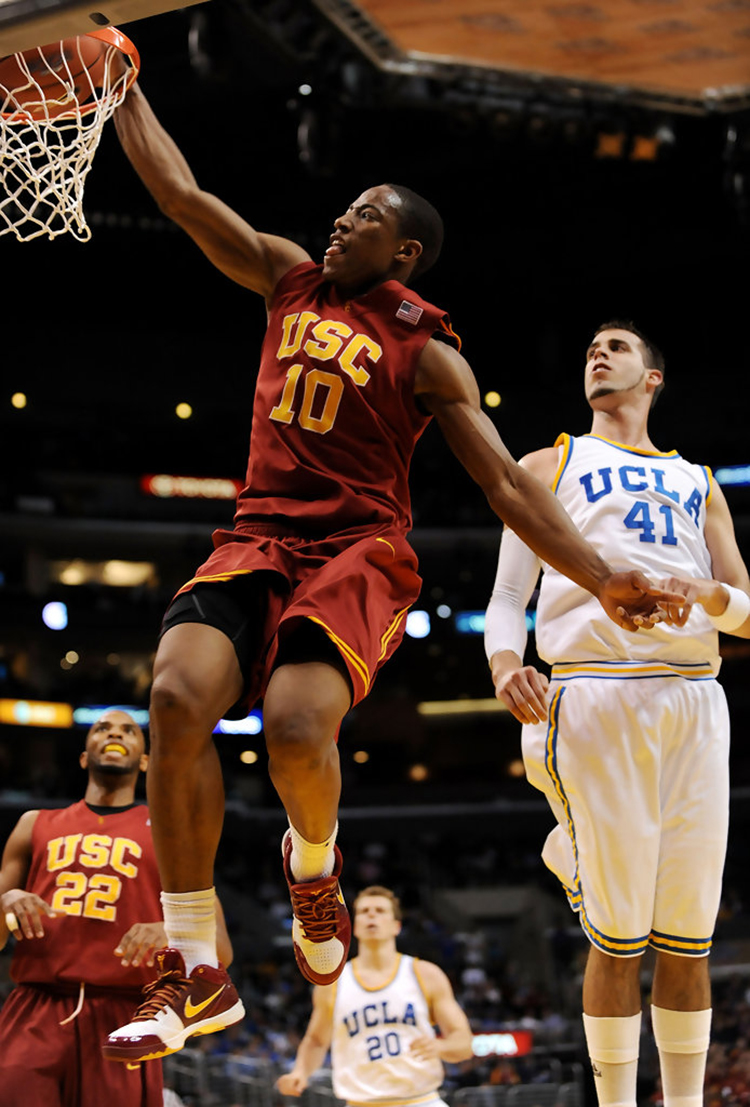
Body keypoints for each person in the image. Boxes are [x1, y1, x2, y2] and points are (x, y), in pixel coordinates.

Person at [104, 81, 684, 1063]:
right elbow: (181, 195)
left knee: (294, 728)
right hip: (256, 535)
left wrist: (603, 575)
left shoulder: (426, 346)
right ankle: (196, 969)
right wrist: (120, 85)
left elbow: (504, 481)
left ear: (404, 250)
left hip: (359, 550)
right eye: (343, 209)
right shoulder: (287, 277)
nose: (340, 222)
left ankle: (315, 864)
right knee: (171, 696)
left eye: (364, 215)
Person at [484, 321, 750, 1107]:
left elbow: (746, 611)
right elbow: (506, 598)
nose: (598, 353)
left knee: (688, 936)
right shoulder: (549, 462)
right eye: (591, 347)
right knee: (619, 935)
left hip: (695, 700)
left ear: (653, 378)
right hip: (596, 686)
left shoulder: (700, 481)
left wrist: (708, 597)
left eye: (618, 346)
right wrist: (505, 664)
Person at [0, 707, 234, 1107]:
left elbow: (221, 950)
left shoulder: (171, 836)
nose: (115, 733)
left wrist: (171, 931)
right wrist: (6, 899)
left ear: (144, 761)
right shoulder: (34, 823)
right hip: (35, 1006)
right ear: (83, 755)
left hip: (125, 1014)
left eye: (129, 730)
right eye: (103, 728)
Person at [276, 885, 474, 1107]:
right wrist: (300, 1072)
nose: (371, 915)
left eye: (380, 911)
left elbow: (464, 1044)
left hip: (421, 1100)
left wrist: (441, 1047)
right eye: (364, 911)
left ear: (396, 926)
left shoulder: (424, 974)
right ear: (354, 926)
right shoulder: (334, 983)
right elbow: (316, 1040)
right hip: (361, 1102)